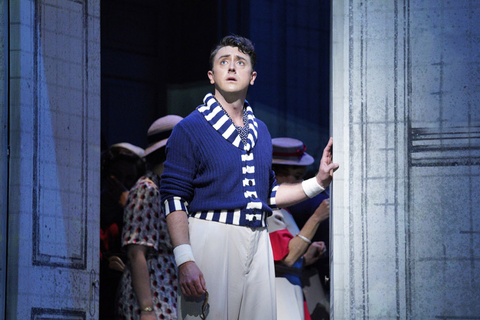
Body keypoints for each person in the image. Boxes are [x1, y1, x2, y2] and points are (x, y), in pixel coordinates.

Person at [160, 34, 338, 320]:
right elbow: (173, 198)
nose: (231, 68)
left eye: (240, 62)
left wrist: (317, 182)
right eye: (224, 62)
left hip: (257, 239)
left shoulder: (261, 131)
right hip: (213, 234)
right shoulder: (191, 128)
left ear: (252, 77)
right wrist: (185, 259)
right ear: (211, 75)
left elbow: (268, 194)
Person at [116, 115, 183, 320]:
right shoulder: (147, 190)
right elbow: (137, 253)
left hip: (168, 288)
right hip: (153, 291)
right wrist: (147, 309)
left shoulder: (167, 190)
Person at [267, 137, 331, 320]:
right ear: (276, 175)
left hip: (290, 289)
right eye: (297, 177)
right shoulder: (269, 208)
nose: (301, 182)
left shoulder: (283, 210)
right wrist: (316, 218)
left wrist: (306, 256)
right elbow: (287, 258)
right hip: (280, 293)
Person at [100, 142, 146, 320]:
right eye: (117, 176)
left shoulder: (137, 210)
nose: (121, 184)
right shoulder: (90, 205)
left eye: (129, 179)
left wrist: (129, 206)